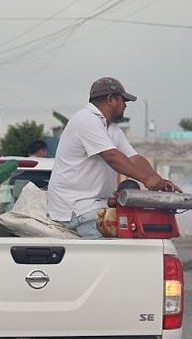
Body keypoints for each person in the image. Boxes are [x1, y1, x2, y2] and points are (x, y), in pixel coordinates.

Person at [47, 77, 180, 238]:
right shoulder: (86, 120)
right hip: (78, 209)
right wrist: (146, 179)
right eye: (123, 100)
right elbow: (112, 157)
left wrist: (158, 180)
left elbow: (134, 158)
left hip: (95, 206)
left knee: (140, 228)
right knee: (131, 240)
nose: (125, 105)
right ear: (111, 99)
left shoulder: (112, 129)